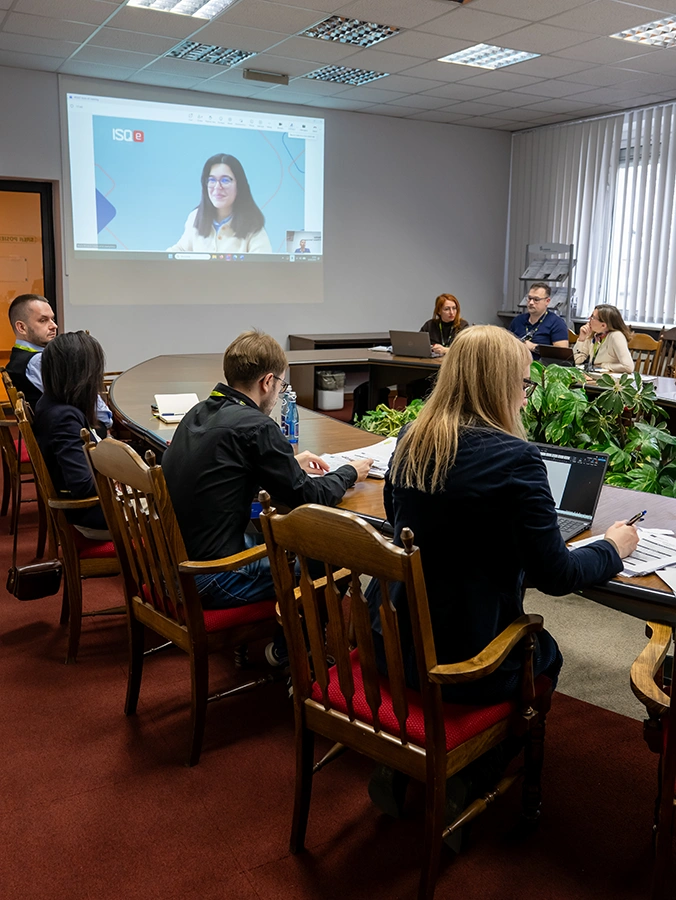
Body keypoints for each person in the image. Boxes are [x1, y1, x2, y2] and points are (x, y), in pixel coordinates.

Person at [366, 325, 639, 831]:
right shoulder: (516, 459)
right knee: (547, 654)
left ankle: (398, 764)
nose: (524, 394)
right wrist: (611, 548)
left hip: (390, 643)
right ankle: (469, 778)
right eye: (523, 383)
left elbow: (405, 528)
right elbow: (555, 576)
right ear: (498, 386)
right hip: (463, 663)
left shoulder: (411, 440)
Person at [162, 330, 372, 636]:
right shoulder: (257, 426)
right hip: (213, 577)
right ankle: (298, 661)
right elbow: (310, 497)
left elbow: (223, 471)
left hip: (172, 568)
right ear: (267, 381)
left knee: (274, 538)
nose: (278, 394)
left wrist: (286, 464)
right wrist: (350, 472)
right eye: (281, 385)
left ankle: (283, 646)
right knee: (326, 563)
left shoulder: (198, 412)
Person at [32, 332, 110, 540]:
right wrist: (124, 476)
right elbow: (83, 485)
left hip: (93, 509)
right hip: (95, 517)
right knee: (183, 508)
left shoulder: (51, 403)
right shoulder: (64, 417)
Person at [6, 293, 112, 428]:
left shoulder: (19, 356)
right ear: (22, 327)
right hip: (73, 436)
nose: (54, 326)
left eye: (52, 319)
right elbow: (83, 403)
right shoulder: (39, 361)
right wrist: (106, 421)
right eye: (43, 320)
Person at [167, 154, 272, 254]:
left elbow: (262, 268)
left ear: (239, 185)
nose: (217, 187)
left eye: (225, 180)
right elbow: (181, 250)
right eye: (212, 180)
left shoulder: (252, 225)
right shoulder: (195, 217)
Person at [508, 282, 569, 355]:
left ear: (547, 301)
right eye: (529, 298)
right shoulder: (518, 320)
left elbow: (562, 354)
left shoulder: (557, 323)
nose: (531, 302)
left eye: (536, 299)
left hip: (542, 365)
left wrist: (534, 347)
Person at [573, 304, 634, 374]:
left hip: (611, 381)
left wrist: (604, 365)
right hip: (594, 377)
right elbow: (577, 360)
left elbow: (628, 367)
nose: (589, 318)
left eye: (593, 317)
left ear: (603, 325)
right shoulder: (594, 334)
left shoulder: (616, 336)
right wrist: (582, 339)